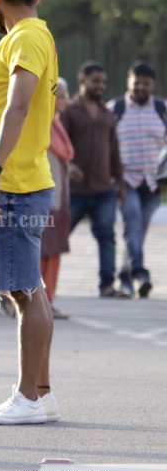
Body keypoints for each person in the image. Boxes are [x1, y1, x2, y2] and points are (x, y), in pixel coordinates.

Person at [0, 0, 60, 426]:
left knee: (24, 292)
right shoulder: (31, 37)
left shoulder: (25, 37)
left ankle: (26, 398)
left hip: (16, 184)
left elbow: (20, 105)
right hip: (24, 179)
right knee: (33, 289)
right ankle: (40, 394)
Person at [60, 63, 125, 297]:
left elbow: (115, 151)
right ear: (82, 79)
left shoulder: (108, 114)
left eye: (103, 82)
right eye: (95, 81)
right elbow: (57, 145)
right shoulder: (68, 110)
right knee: (57, 235)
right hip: (75, 190)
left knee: (107, 236)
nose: (100, 86)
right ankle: (38, 285)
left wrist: (120, 183)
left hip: (103, 188)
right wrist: (68, 166)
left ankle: (107, 285)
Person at [108, 62, 166, 298]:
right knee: (132, 224)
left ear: (152, 85)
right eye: (137, 83)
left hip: (153, 182)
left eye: (146, 83)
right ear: (128, 83)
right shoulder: (116, 108)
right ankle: (140, 273)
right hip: (125, 181)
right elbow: (104, 144)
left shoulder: (162, 109)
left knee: (137, 232)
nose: (141, 87)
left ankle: (125, 276)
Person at [41, 78, 73, 319]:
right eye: (63, 95)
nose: (67, 100)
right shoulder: (40, 125)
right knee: (43, 252)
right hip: (44, 201)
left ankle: (47, 299)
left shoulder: (55, 124)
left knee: (53, 252)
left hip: (58, 200)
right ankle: (40, 301)